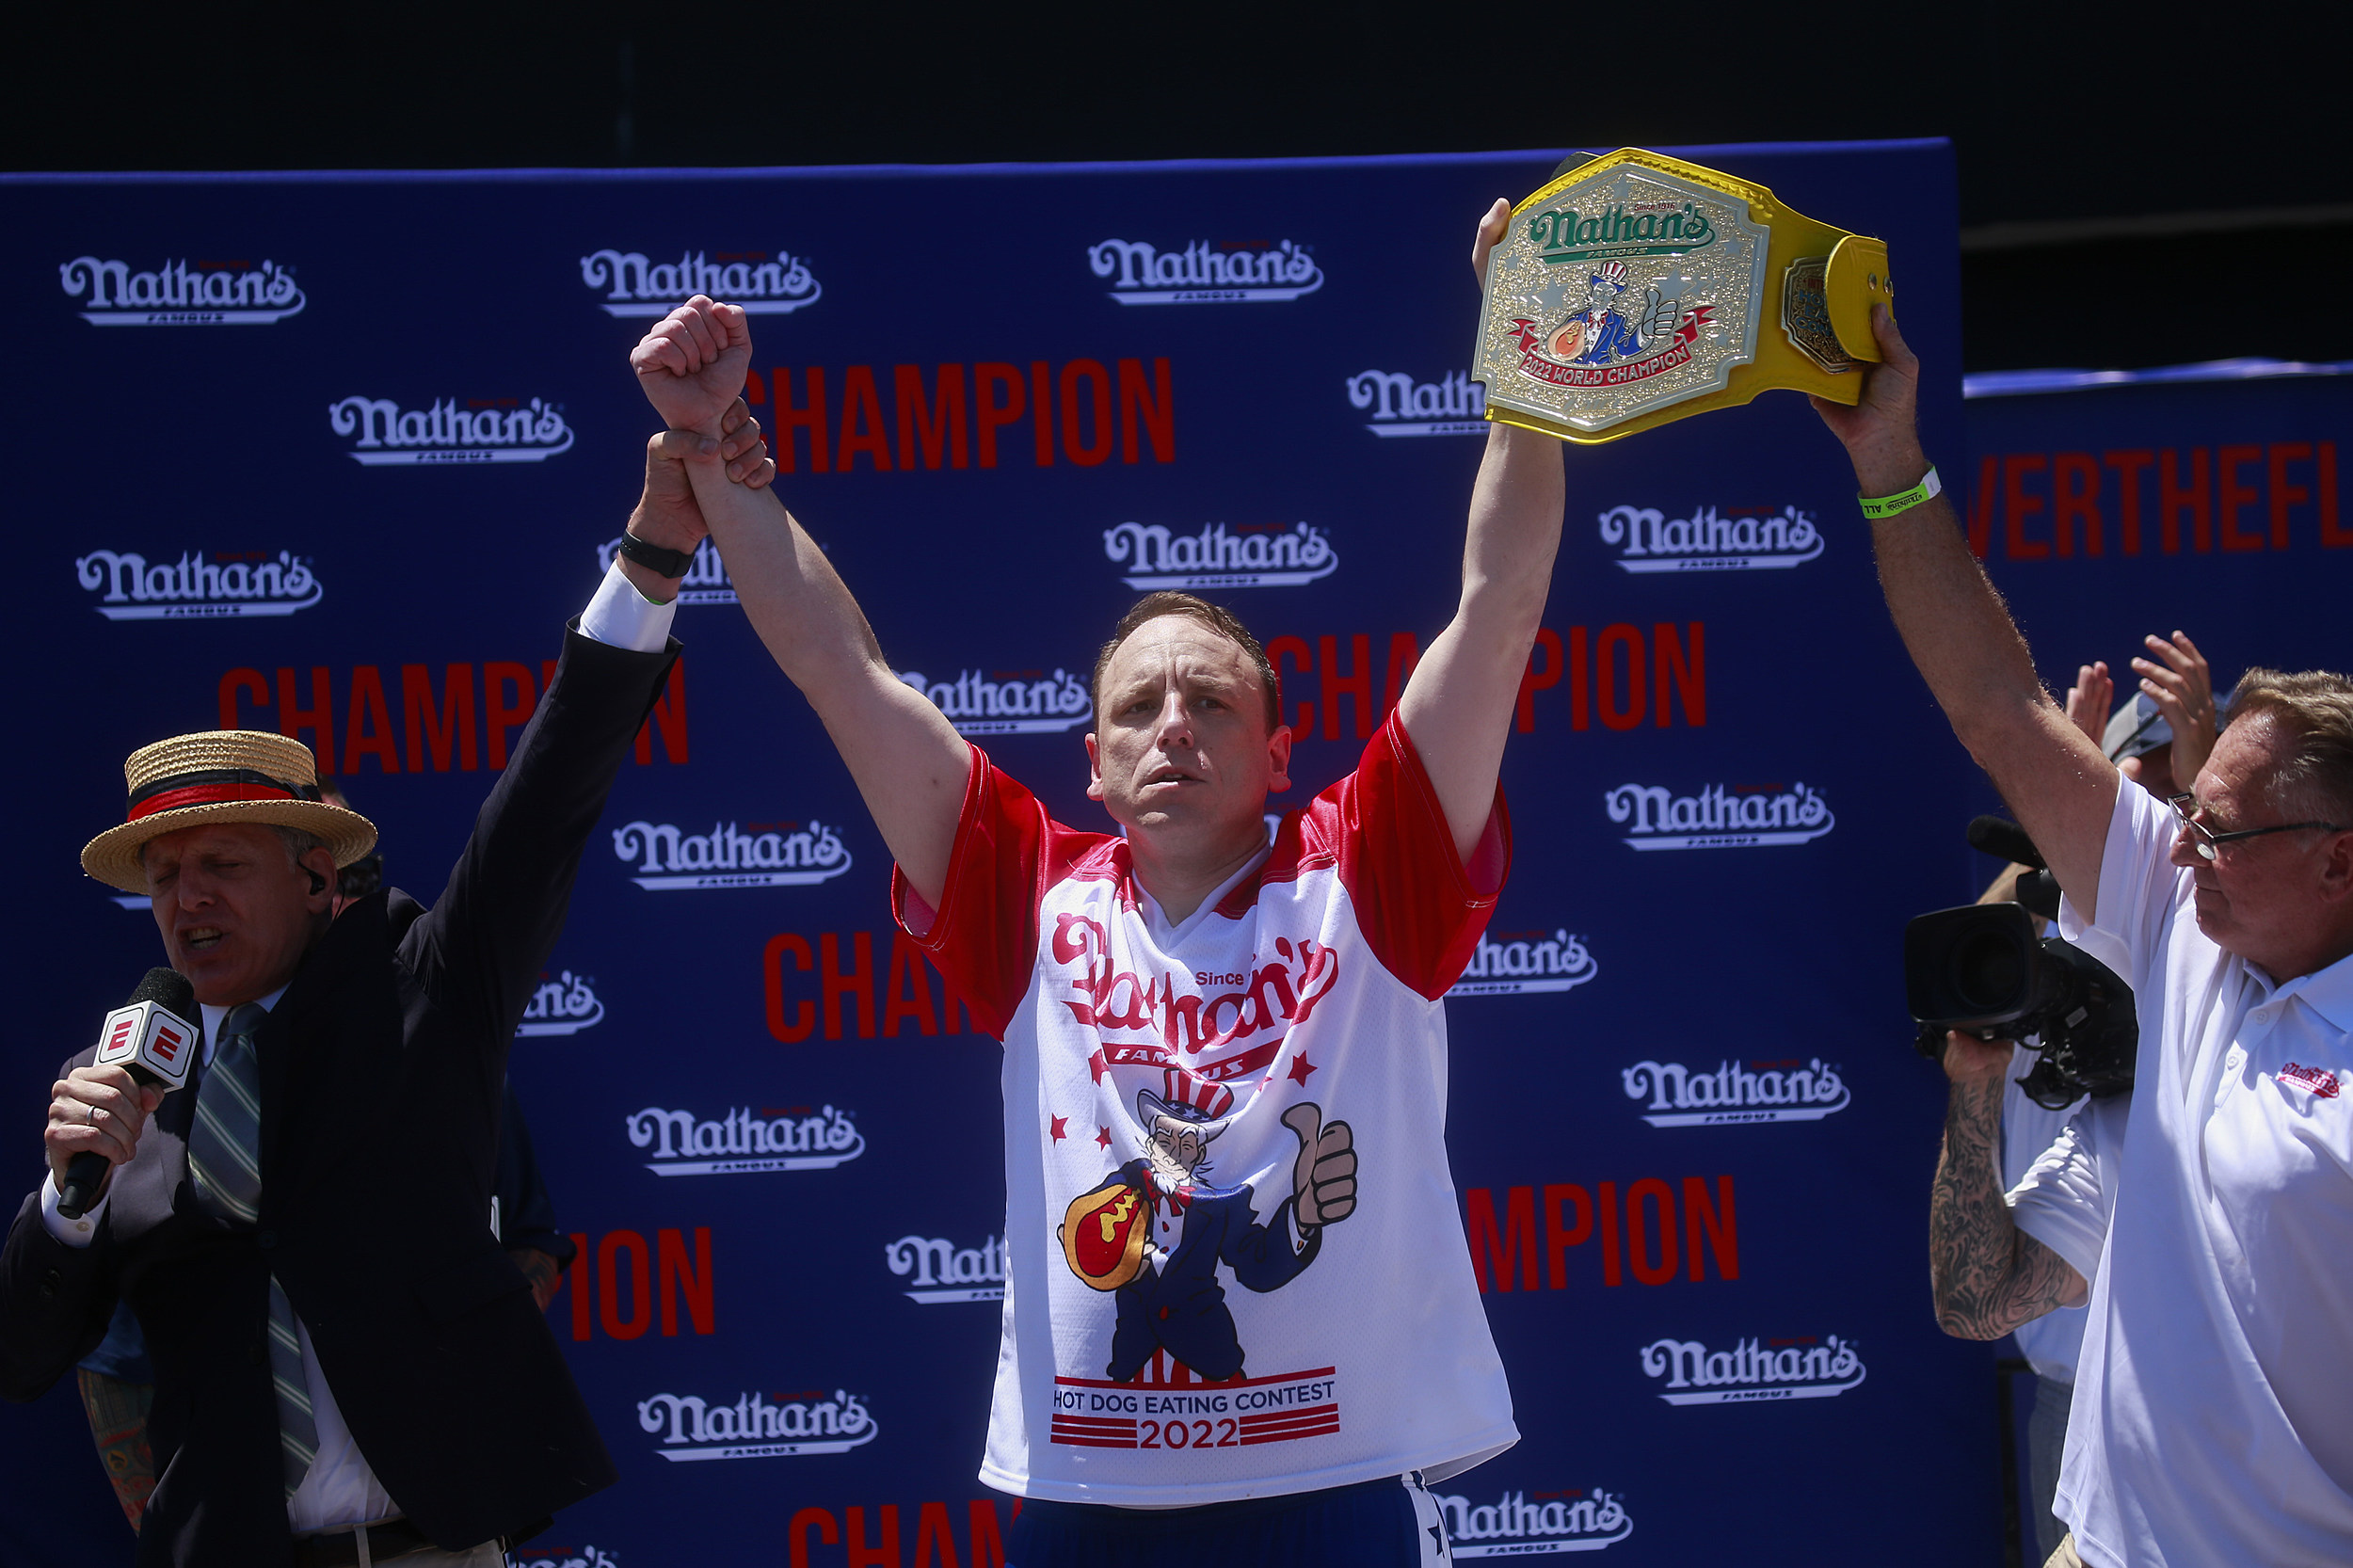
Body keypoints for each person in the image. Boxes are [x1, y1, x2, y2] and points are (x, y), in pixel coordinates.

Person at [629, 200, 1565, 1566]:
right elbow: (843, 669)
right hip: (1085, 1501)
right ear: (1094, 766)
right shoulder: (1024, 887)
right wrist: (721, 456)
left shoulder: (1371, 867)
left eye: (1210, 700)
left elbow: (1498, 609)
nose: (1173, 725)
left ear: (1279, 749)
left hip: (1336, 1482)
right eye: (1138, 708)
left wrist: (1528, 371)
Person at [1, 408, 776, 1568]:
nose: (188, 899)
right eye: (164, 878)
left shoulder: (428, 985)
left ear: (319, 879)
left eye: (222, 864)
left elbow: (550, 790)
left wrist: (653, 554)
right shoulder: (122, 1079)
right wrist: (68, 1204)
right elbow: (22, 1356)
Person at [1818, 307, 2353, 1567]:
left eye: (2220, 831)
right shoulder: (2181, 918)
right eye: (2186, 814)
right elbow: (1998, 708)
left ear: (2339, 860)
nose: (2183, 845)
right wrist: (1890, 460)